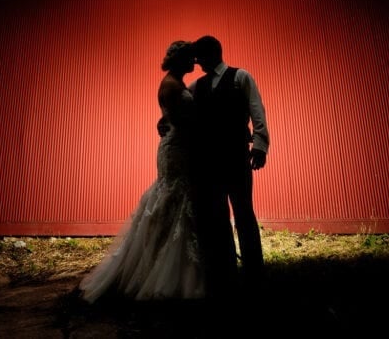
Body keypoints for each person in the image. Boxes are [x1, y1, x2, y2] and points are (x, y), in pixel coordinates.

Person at [77, 40, 204, 302]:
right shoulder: (171, 85)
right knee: (176, 198)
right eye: (190, 58)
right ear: (179, 60)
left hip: (177, 146)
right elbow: (182, 121)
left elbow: (172, 117)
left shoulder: (175, 83)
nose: (194, 63)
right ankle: (170, 270)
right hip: (177, 149)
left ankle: (178, 263)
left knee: (177, 198)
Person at [189, 35, 270, 296]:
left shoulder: (241, 77)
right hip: (209, 161)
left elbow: (257, 110)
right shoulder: (195, 87)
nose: (196, 60)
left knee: (244, 212)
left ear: (211, 53)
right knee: (218, 216)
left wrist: (259, 145)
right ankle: (226, 271)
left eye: (199, 55)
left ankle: (254, 271)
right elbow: (180, 112)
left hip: (236, 156)